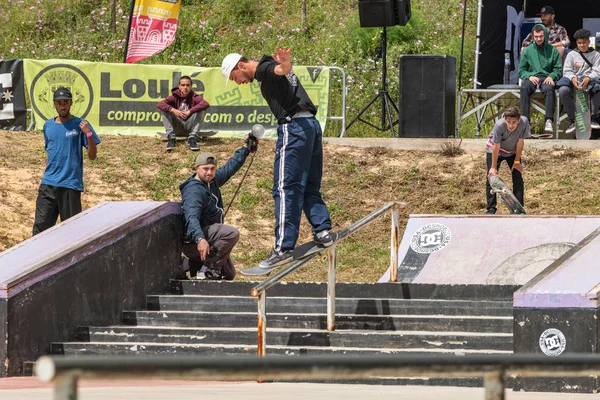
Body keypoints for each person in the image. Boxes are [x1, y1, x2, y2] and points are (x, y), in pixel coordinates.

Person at [221, 48, 334, 269]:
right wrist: (284, 65)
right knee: (310, 184)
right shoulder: (266, 67)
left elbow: (281, 70)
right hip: (311, 125)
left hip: (295, 128)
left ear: (242, 66)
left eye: (235, 77)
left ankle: (283, 248)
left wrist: (285, 62)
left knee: (285, 187)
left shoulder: (263, 68)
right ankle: (322, 230)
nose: (238, 83)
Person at [32, 87, 101, 235]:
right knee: (40, 230)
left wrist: (88, 133)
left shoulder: (81, 124)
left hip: (70, 185)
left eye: (65, 102)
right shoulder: (48, 126)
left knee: (72, 233)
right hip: (48, 185)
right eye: (59, 102)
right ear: (54, 104)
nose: (62, 106)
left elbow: (92, 156)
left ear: (71, 103)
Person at [179, 142, 252, 280]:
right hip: (194, 242)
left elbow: (230, 168)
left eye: (213, 169)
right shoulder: (193, 191)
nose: (209, 172)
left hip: (209, 238)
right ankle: (206, 270)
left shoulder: (211, 181)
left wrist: (246, 148)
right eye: (205, 169)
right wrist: (200, 238)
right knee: (231, 233)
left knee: (229, 274)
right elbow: (191, 217)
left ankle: (186, 264)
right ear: (196, 168)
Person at [485, 106, 531, 215]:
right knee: (491, 177)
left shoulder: (524, 122)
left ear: (518, 120)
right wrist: (493, 167)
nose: (511, 125)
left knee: (517, 176)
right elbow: (496, 146)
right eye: (508, 122)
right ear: (505, 120)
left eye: (514, 122)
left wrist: (516, 162)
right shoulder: (499, 125)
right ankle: (491, 209)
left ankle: (518, 208)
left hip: (512, 151)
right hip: (495, 149)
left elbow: (520, 142)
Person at [518, 24, 562, 133]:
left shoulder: (553, 51)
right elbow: (521, 70)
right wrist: (529, 76)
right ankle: (525, 121)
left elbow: (558, 69)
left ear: (545, 36)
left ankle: (548, 120)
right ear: (533, 36)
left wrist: (552, 76)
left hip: (547, 77)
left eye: (541, 36)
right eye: (536, 36)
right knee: (524, 87)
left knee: (548, 88)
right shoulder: (527, 50)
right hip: (532, 77)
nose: (538, 39)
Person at [557, 28, 600, 133]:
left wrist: (588, 78)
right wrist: (573, 78)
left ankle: (593, 118)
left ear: (589, 42)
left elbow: (597, 71)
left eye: (584, 43)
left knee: (599, 89)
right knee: (563, 91)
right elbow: (566, 71)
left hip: (590, 82)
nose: (582, 45)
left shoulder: (596, 55)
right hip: (574, 82)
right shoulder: (571, 54)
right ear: (576, 43)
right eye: (579, 43)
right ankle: (572, 120)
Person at [157, 75, 209, 152]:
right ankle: (171, 138)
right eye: (183, 85)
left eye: (188, 85)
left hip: (190, 127)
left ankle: (192, 138)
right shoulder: (174, 96)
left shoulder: (194, 96)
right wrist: (174, 110)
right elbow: (160, 104)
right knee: (165, 109)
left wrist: (190, 111)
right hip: (176, 127)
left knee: (202, 109)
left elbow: (205, 104)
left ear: (191, 87)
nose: (185, 87)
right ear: (179, 86)